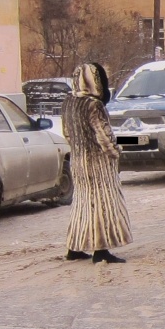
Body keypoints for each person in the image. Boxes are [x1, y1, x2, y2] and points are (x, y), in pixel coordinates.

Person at [62, 62, 132, 264]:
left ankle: (74, 247)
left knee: (82, 204)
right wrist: (116, 152)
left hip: (78, 161)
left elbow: (67, 133)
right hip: (97, 163)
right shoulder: (94, 105)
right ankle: (101, 250)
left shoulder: (68, 102)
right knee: (102, 204)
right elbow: (104, 137)